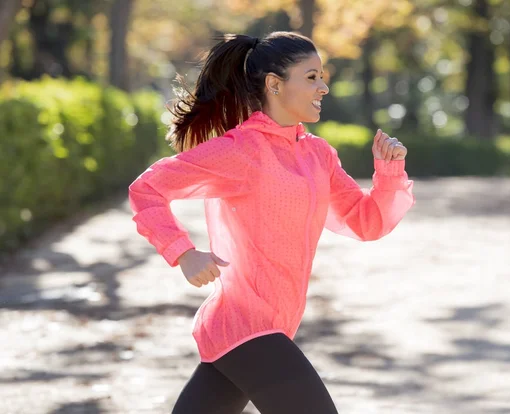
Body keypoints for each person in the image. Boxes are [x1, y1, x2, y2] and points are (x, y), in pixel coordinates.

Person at [128, 31, 415, 414]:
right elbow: (147, 189)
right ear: (274, 85)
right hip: (246, 325)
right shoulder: (241, 151)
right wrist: (183, 252)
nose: (324, 87)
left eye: (322, 77)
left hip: (274, 324)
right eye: (311, 77)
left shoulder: (317, 154)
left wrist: (390, 171)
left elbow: (366, 222)